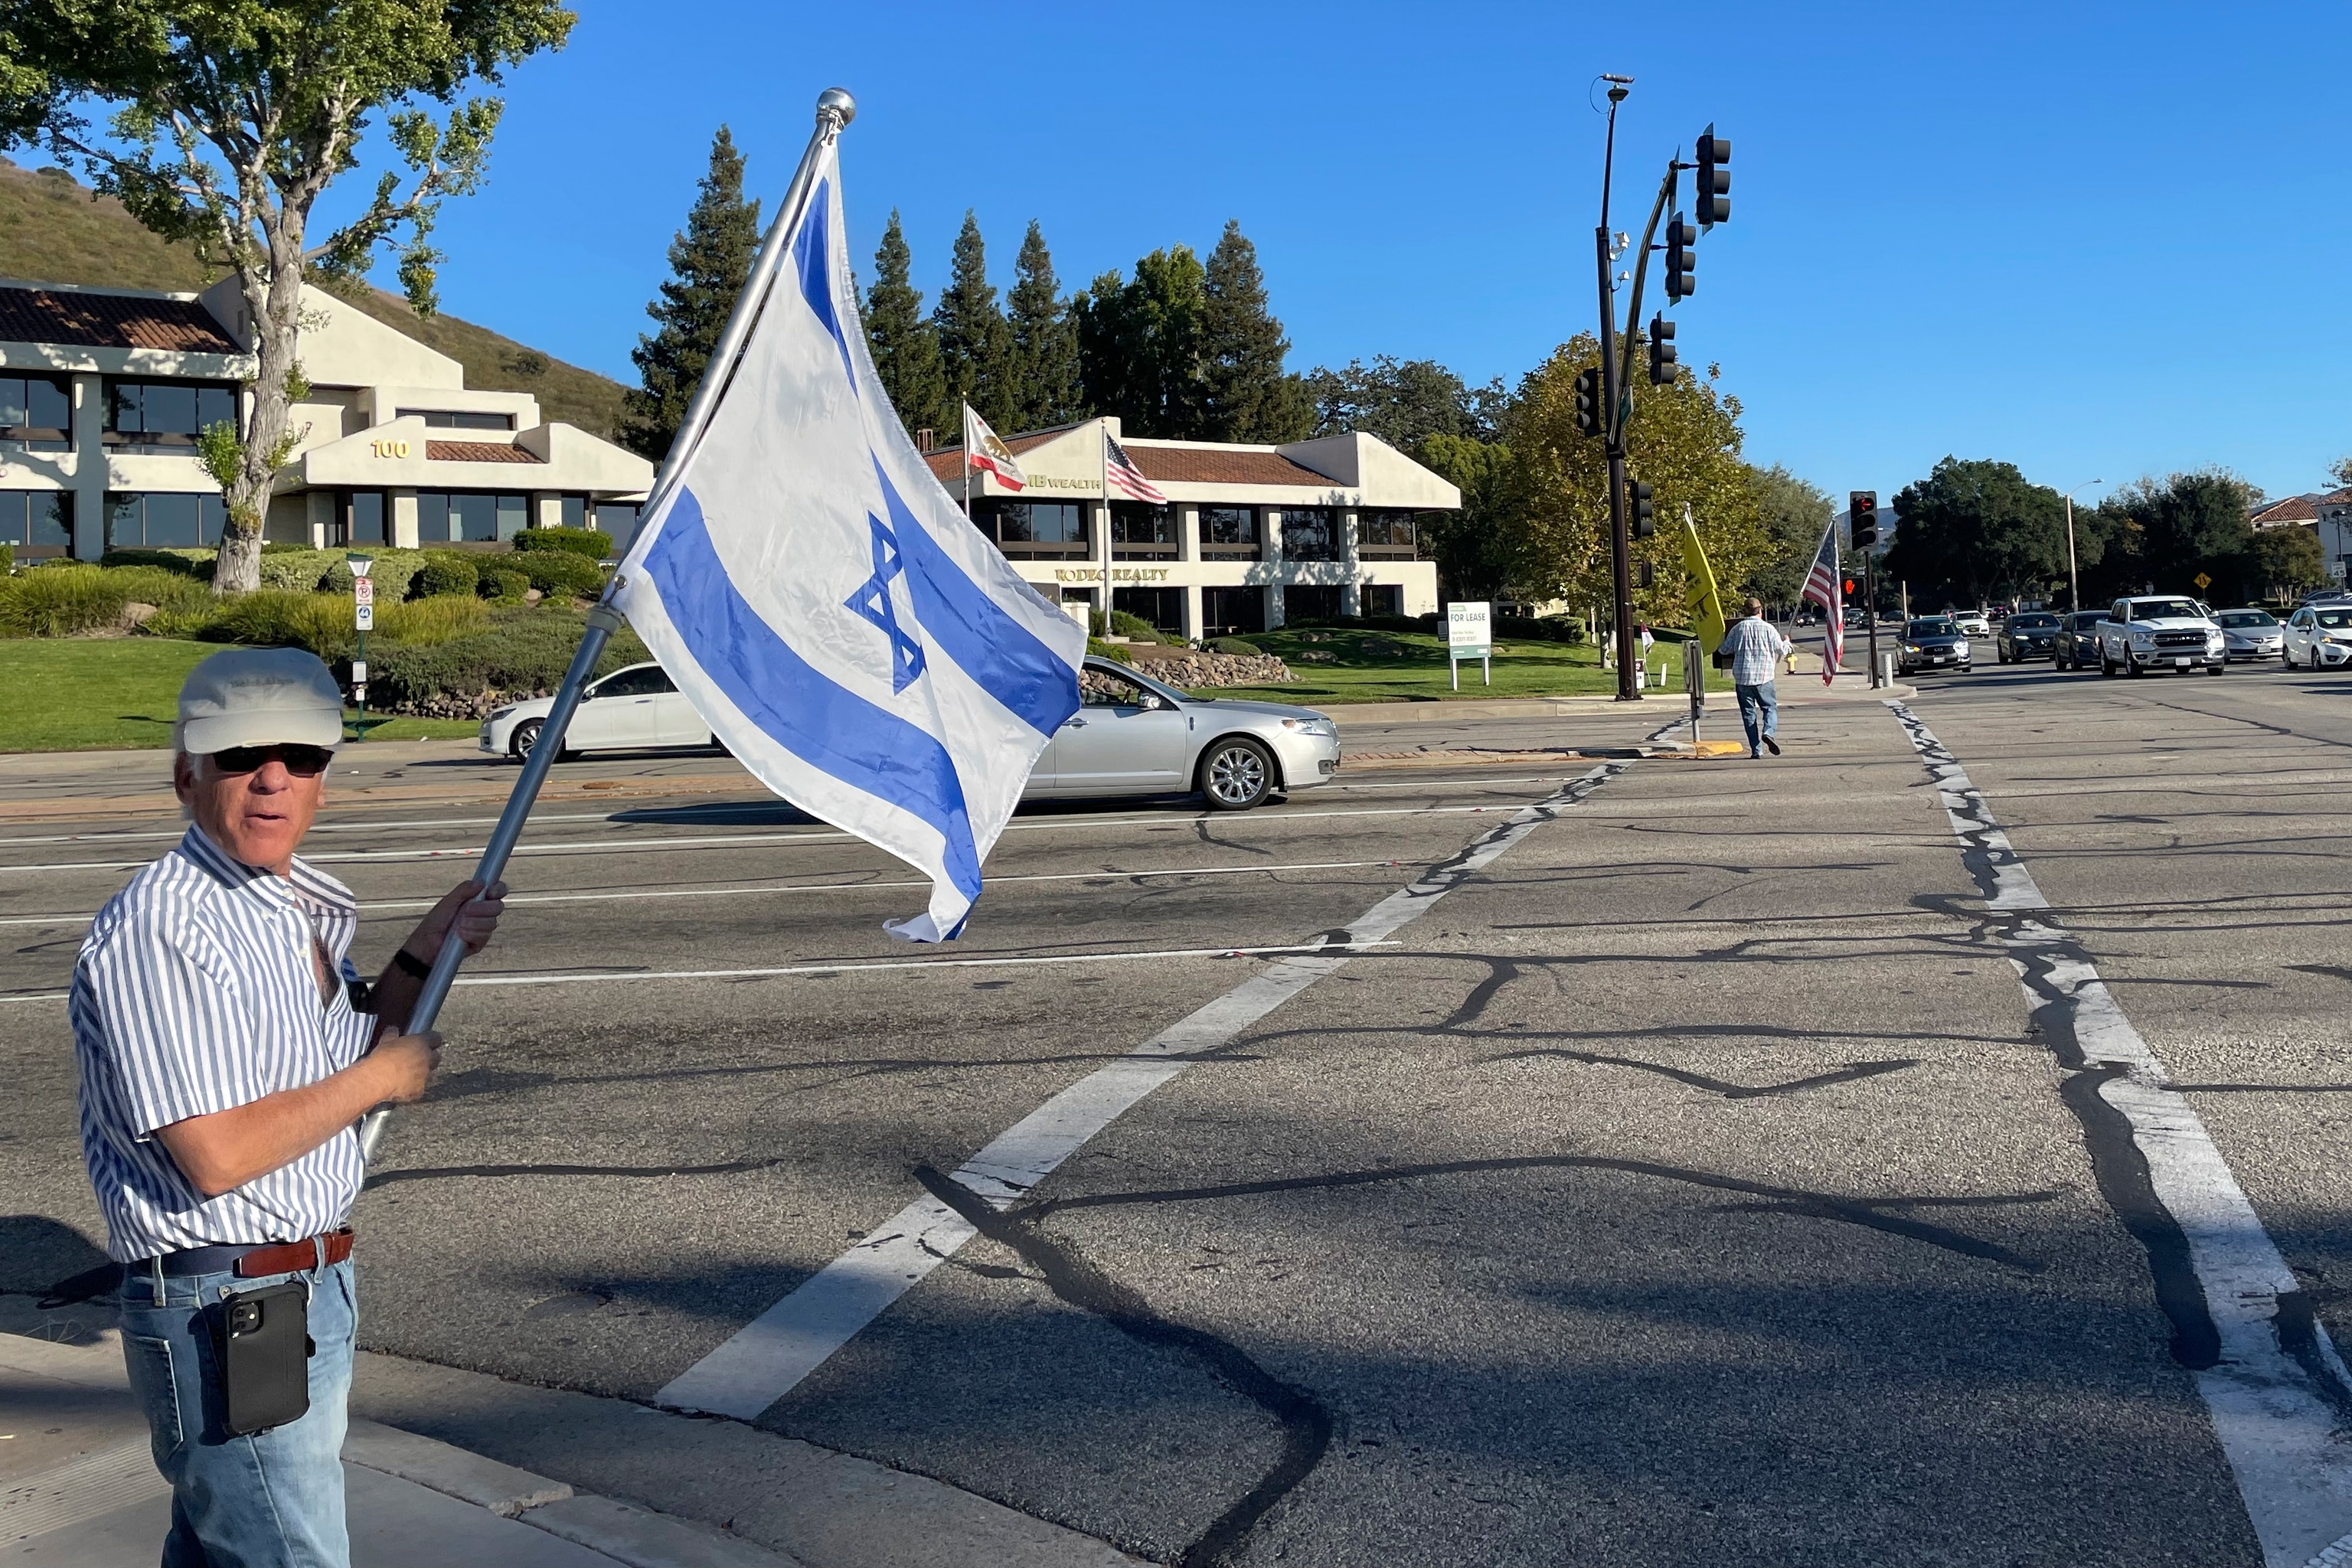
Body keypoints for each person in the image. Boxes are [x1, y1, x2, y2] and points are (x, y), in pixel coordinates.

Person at [72, 648, 506, 1568]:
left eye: (301, 758)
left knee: (225, 1544)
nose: (274, 779)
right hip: (228, 1300)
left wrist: (426, 946)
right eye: (242, 756)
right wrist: (383, 1080)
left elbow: (338, 1046)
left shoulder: (286, 904)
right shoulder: (165, 926)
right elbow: (217, 1151)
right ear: (187, 771)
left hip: (297, 1288)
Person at [1718, 596, 1795, 759]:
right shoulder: (1768, 629)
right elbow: (1782, 650)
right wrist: (1787, 642)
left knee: (1748, 715)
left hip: (1742, 678)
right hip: (1764, 677)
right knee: (1769, 708)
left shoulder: (1737, 629)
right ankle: (1768, 732)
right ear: (1761, 611)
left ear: (1744, 611)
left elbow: (1724, 650)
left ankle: (1756, 750)